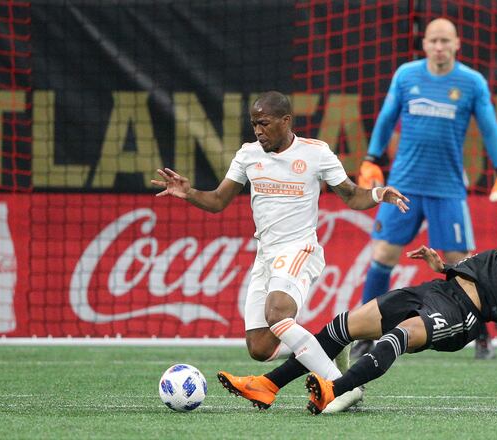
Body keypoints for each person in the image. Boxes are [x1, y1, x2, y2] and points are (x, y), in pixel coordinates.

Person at [220, 190, 497, 417]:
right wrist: (443, 265)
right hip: (439, 288)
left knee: (399, 337)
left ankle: (336, 388)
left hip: (466, 316)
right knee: (344, 325)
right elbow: (485, 264)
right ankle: (269, 385)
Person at [151, 91, 410, 410]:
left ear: (286, 121)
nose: (258, 130)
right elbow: (218, 201)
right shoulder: (247, 155)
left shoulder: (316, 153)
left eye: (264, 123)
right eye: (253, 124)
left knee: (277, 314)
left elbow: (352, 196)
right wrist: (189, 192)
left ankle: (344, 388)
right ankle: (329, 346)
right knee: (259, 348)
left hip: (301, 249)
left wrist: (379, 193)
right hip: (266, 255)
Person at [355, 17, 497, 360]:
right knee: (383, 255)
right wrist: (371, 158)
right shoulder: (406, 75)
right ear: (425, 44)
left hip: (447, 189)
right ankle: (365, 334)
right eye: (434, 41)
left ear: (458, 43)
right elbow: (386, 118)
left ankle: (483, 335)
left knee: (461, 265)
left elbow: (489, 128)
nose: (440, 47)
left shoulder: (472, 82)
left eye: (446, 41)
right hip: (403, 186)